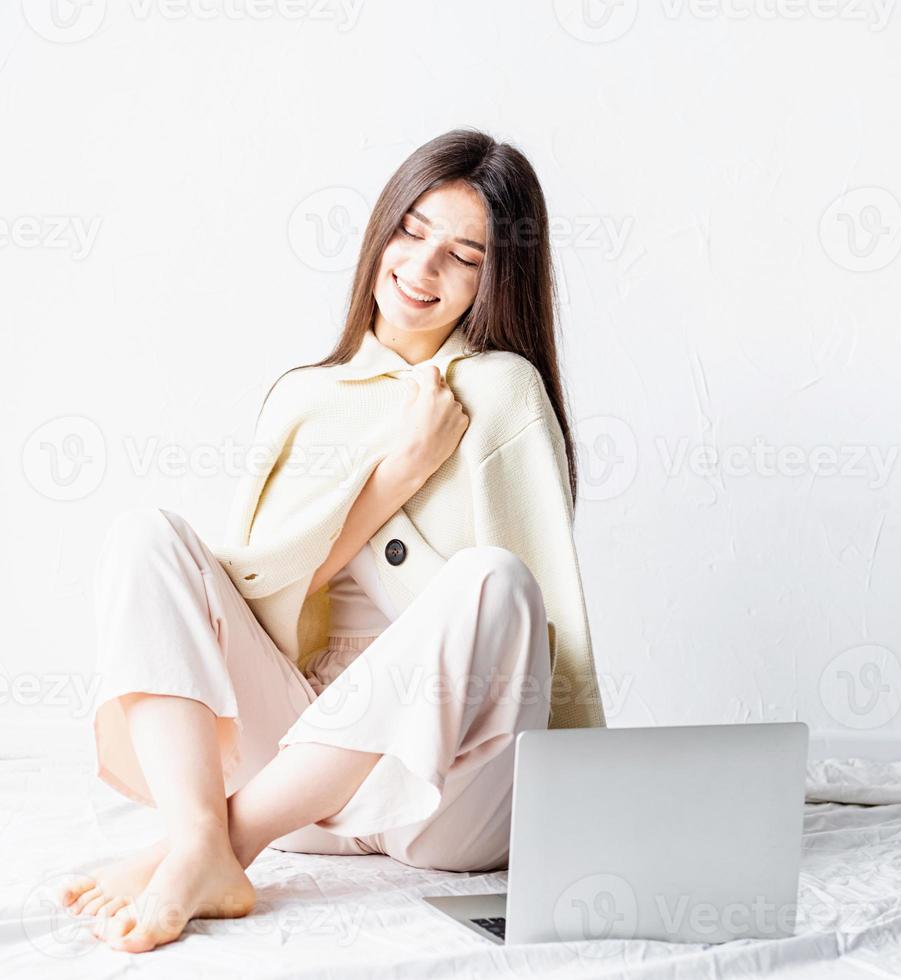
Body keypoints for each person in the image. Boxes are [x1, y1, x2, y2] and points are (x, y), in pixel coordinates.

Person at [59, 128, 605, 953]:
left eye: (463, 255)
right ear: (380, 230)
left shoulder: (504, 394)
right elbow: (260, 602)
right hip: (298, 781)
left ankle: (214, 848)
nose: (421, 270)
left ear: (495, 280)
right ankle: (201, 829)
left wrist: (598, 802)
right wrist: (393, 478)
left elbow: (541, 629)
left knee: (494, 580)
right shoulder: (303, 398)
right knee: (146, 536)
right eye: (411, 231)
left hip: (442, 796)